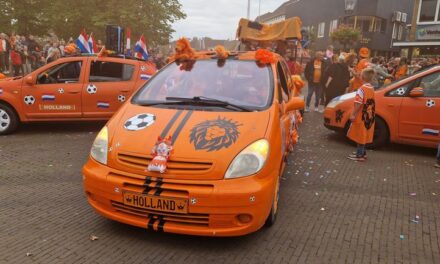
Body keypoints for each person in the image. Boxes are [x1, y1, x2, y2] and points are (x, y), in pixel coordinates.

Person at [347, 68, 376, 161]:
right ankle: (363, 153)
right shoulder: (371, 88)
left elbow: (358, 103)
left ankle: (359, 155)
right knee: (365, 134)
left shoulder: (361, 89)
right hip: (369, 115)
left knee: (360, 134)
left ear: (362, 77)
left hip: (361, 116)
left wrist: (353, 114)